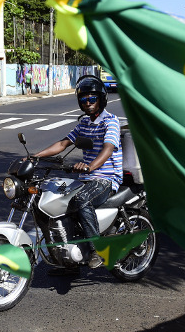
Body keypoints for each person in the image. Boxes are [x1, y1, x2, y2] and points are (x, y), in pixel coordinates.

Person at [33, 75, 123, 271]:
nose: (88, 103)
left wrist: (90, 167)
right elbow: (63, 144)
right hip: (87, 178)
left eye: (92, 98)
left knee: (81, 199)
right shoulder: (84, 124)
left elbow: (108, 148)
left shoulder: (111, 121)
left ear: (101, 99)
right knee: (50, 200)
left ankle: (96, 250)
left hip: (106, 178)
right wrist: (34, 157)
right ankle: (67, 260)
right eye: (83, 99)